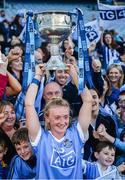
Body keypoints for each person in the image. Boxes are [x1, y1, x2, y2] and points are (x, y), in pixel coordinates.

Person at [25, 63, 93, 179]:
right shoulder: (40, 138)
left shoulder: (77, 134)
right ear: (47, 118)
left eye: (65, 117)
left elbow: (88, 100)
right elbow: (29, 104)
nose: (62, 122)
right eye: (57, 117)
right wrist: (37, 76)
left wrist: (74, 74)